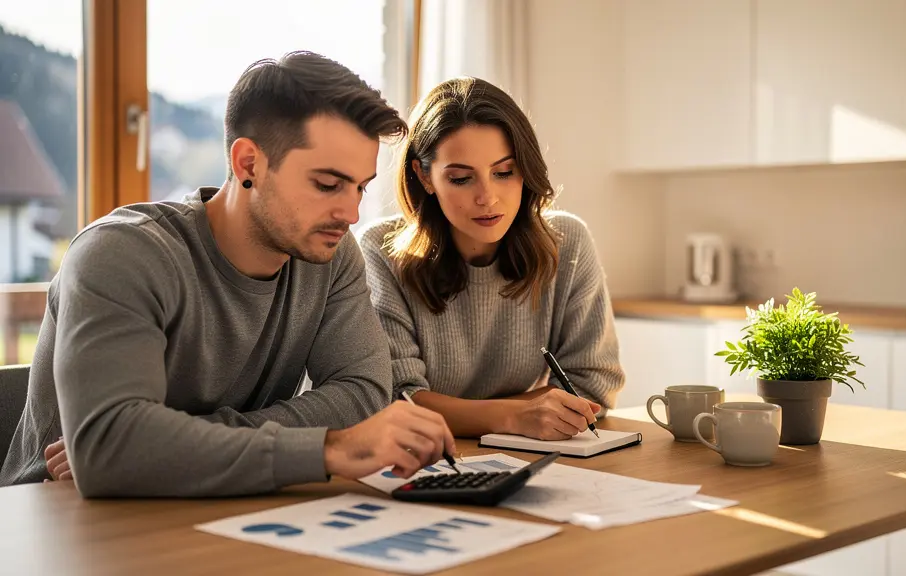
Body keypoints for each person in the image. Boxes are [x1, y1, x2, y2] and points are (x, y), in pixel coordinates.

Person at [0, 52, 456, 497]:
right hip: (53, 519)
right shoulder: (120, 253)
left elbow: (363, 394)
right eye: (327, 184)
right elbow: (111, 451)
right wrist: (328, 447)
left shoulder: (331, 256)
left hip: (218, 505)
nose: (351, 213)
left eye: (360, 187)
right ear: (248, 164)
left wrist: (165, 445)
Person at [357, 77, 625, 441]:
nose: (488, 197)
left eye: (503, 172)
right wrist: (514, 416)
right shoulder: (380, 250)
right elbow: (395, 401)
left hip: (529, 456)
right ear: (425, 176)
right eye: (462, 178)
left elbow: (593, 384)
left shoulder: (567, 242)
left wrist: (484, 415)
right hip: (424, 460)